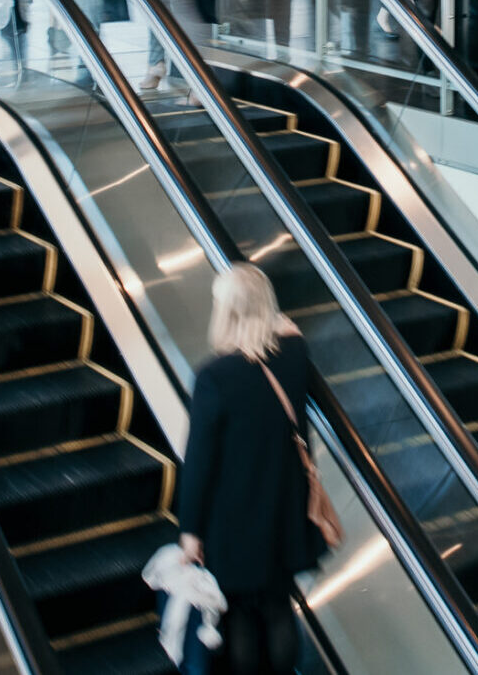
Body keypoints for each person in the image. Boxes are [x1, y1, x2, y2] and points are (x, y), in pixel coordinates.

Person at [177, 264, 324, 675]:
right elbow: (287, 329)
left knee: (240, 618)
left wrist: (191, 532)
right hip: (285, 510)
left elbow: (200, 463)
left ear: (224, 311)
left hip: (235, 520)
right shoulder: (294, 356)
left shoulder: (214, 377)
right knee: (278, 607)